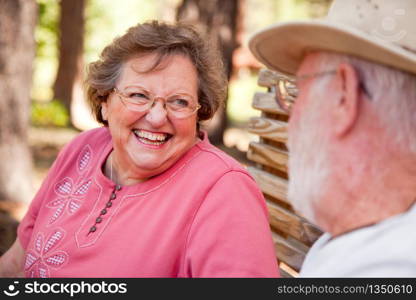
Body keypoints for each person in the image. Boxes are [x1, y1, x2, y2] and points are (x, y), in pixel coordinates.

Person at [0, 21, 279, 278]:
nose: (157, 117)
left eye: (179, 102)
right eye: (138, 95)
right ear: (105, 101)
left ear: (199, 111)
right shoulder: (82, 150)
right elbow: (18, 260)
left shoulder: (223, 190)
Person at [249, 0, 416, 277]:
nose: (290, 117)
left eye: (298, 91)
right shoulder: (366, 233)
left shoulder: (388, 270)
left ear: (344, 96)